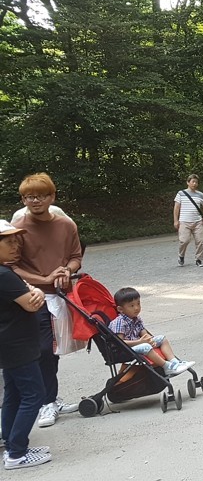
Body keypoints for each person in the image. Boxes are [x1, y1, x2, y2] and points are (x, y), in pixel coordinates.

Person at [10, 173, 83, 429]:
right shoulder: (18, 227)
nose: (35, 201)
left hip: (61, 296)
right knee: (41, 349)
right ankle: (45, 402)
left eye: (41, 196)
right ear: (23, 199)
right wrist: (43, 277)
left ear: (52, 197)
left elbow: (76, 256)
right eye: (29, 197)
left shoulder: (66, 225)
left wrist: (66, 270)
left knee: (52, 351)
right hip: (32, 296)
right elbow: (12, 266)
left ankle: (50, 398)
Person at [0, 220, 51, 470]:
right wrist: (38, 294)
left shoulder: (6, 272)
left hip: (9, 346)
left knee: (14, 394)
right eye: (8, 241)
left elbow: (30, 293)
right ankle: (17, 453)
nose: (15, 245)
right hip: (17, 346)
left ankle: (10, 443)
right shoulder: (4, 275)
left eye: (16, 239)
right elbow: (32, 303)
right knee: (34, 395)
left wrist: (34, 291)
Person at [109, 287, 195, 377]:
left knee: (162, 338)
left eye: (138, 304)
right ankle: (167, 366)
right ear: (120, 309)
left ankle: (174, 362)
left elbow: (143, 333)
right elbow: (119, 342)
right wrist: (140, 342)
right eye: (132, 306)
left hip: (138, 343)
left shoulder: (136, 318)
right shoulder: (119, 322)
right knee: (145, 346)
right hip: (125, 349)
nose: (137, 308)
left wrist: (150, 340)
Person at [173, 174, 203, 267]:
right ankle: (181, 255)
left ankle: (199, 259)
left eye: (196, 182)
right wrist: (176, 221)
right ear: (188, 182)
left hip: (197, 221)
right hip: (184, 221)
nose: (195, 184)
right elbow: (176, 208)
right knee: (184, 241)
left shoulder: (200, 194)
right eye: (193, 182)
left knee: (199, 241)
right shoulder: (181, 193)